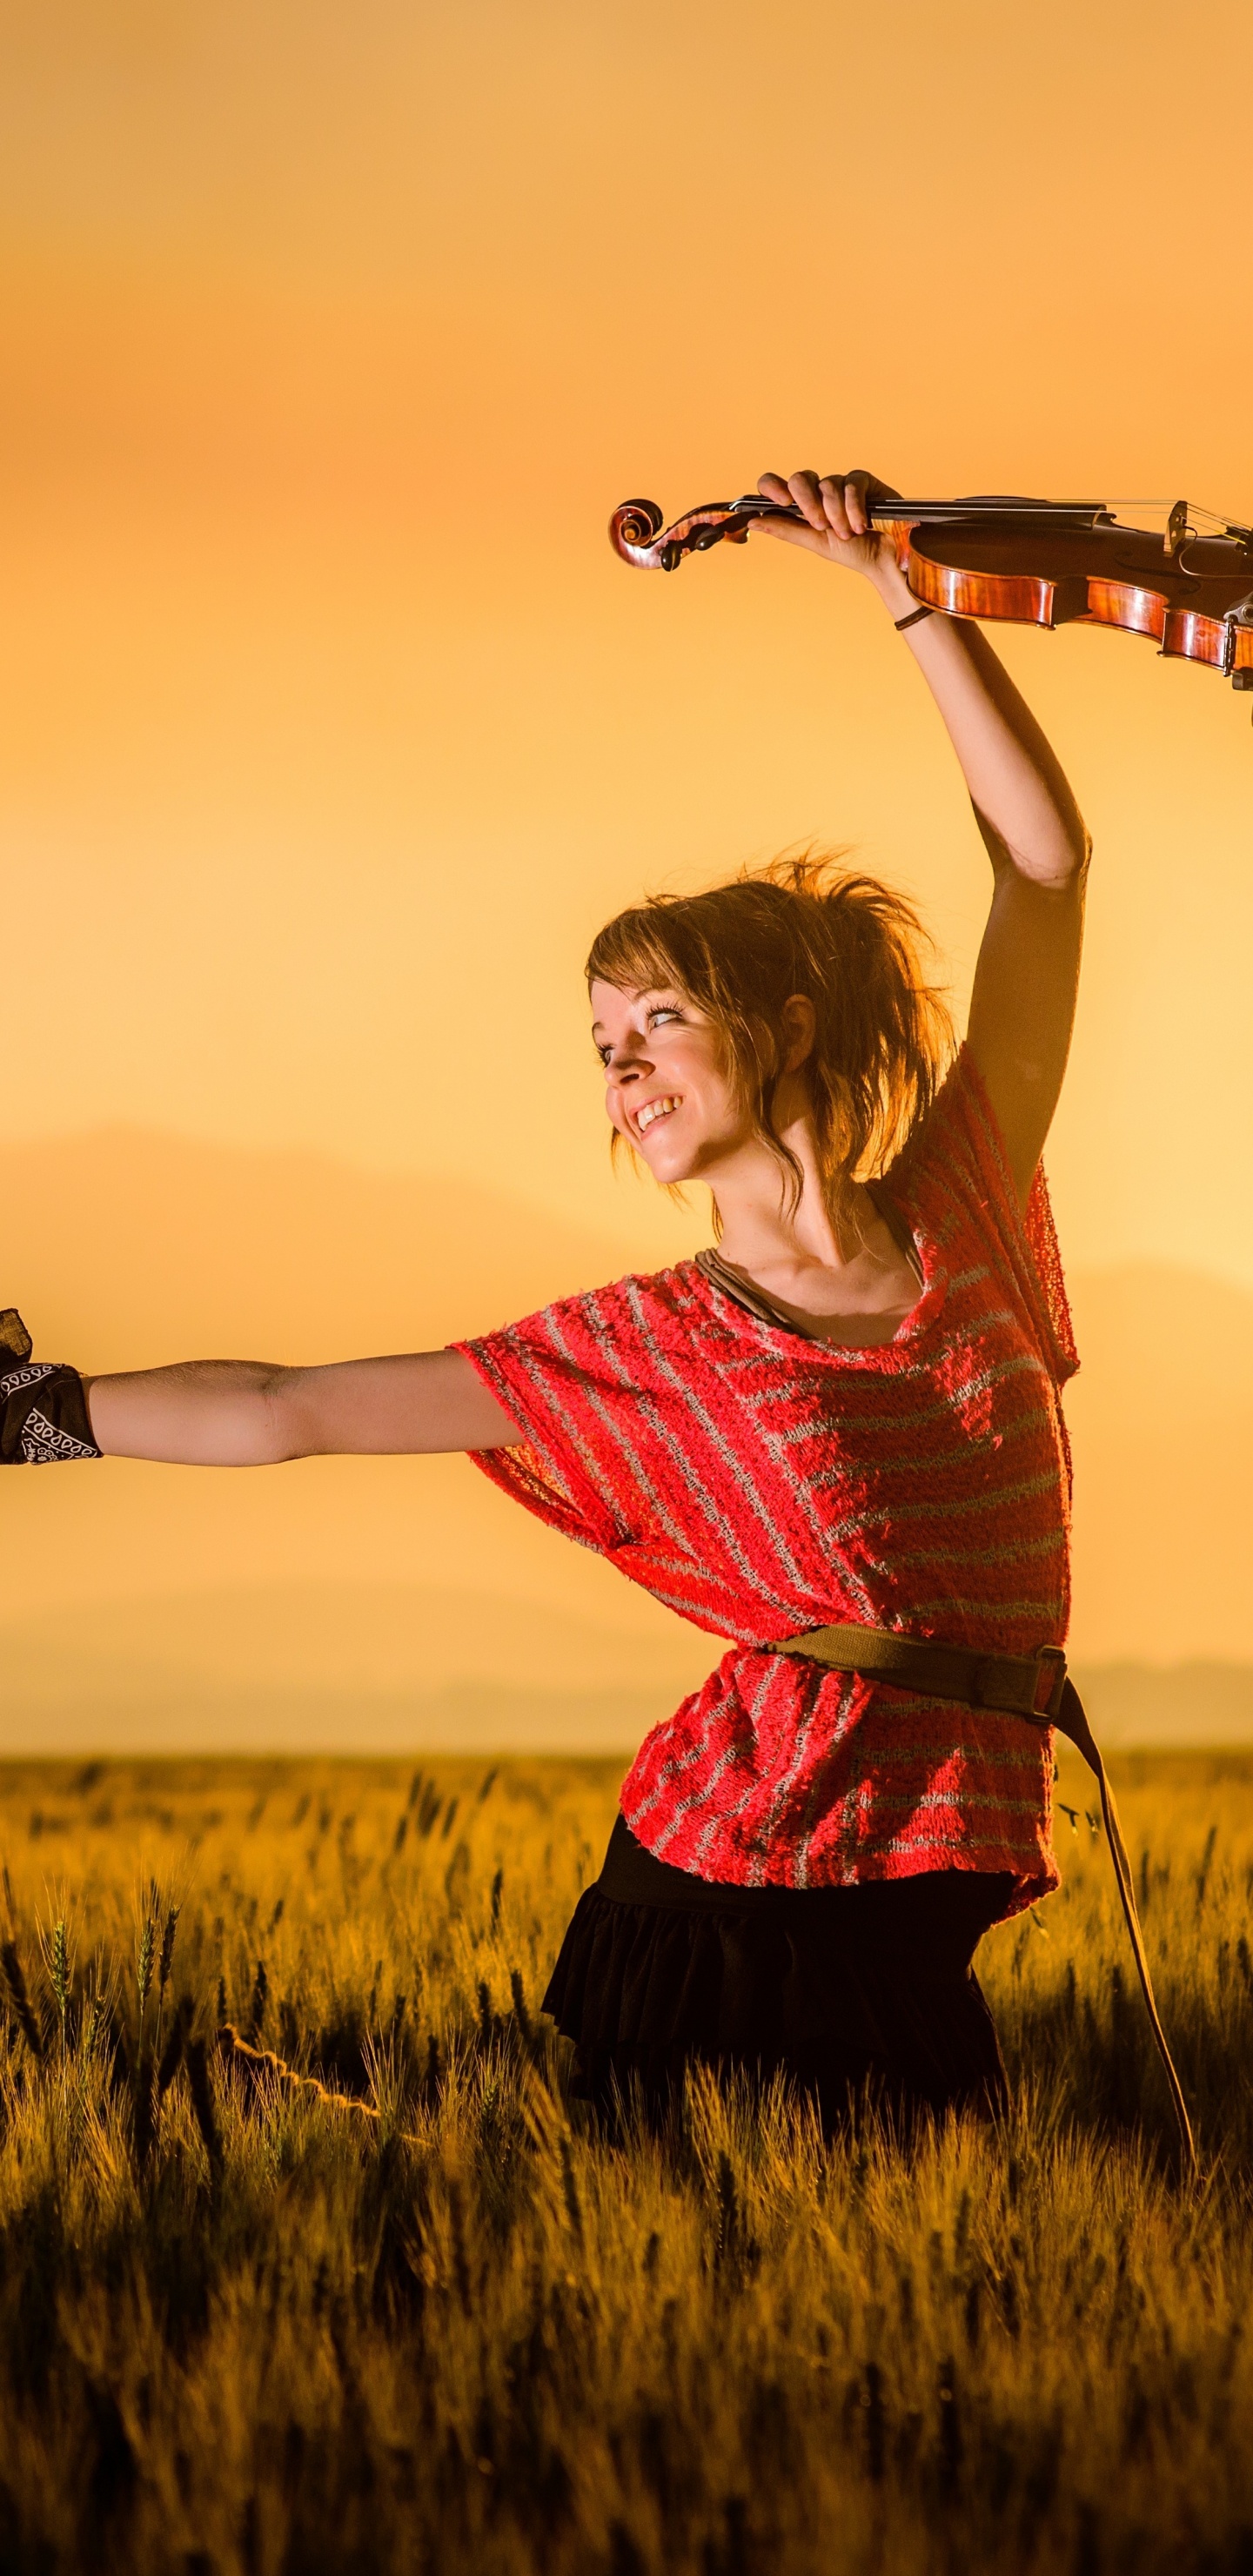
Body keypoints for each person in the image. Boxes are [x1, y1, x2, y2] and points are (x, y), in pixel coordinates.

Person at [3, 468, 1089, 2132]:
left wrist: (902, 589)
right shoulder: (650, 1347)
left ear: (785, 1025)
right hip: (737, 1893)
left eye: (655, 1020)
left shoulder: (968, 1208)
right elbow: (291, 1407)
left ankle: (283, 2101)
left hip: (926, 1868)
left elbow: (1045, 861)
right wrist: (33, 1418)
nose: (622, 1069)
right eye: (602, 1045)